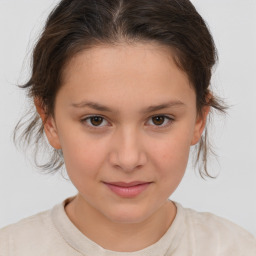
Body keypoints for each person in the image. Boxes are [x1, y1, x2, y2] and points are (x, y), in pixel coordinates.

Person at [0, 0, 255, 255]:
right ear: (50, 120)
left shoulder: (236, 249)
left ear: (199, 118)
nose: (128, 159)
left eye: (159, 119)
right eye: (96, 120)